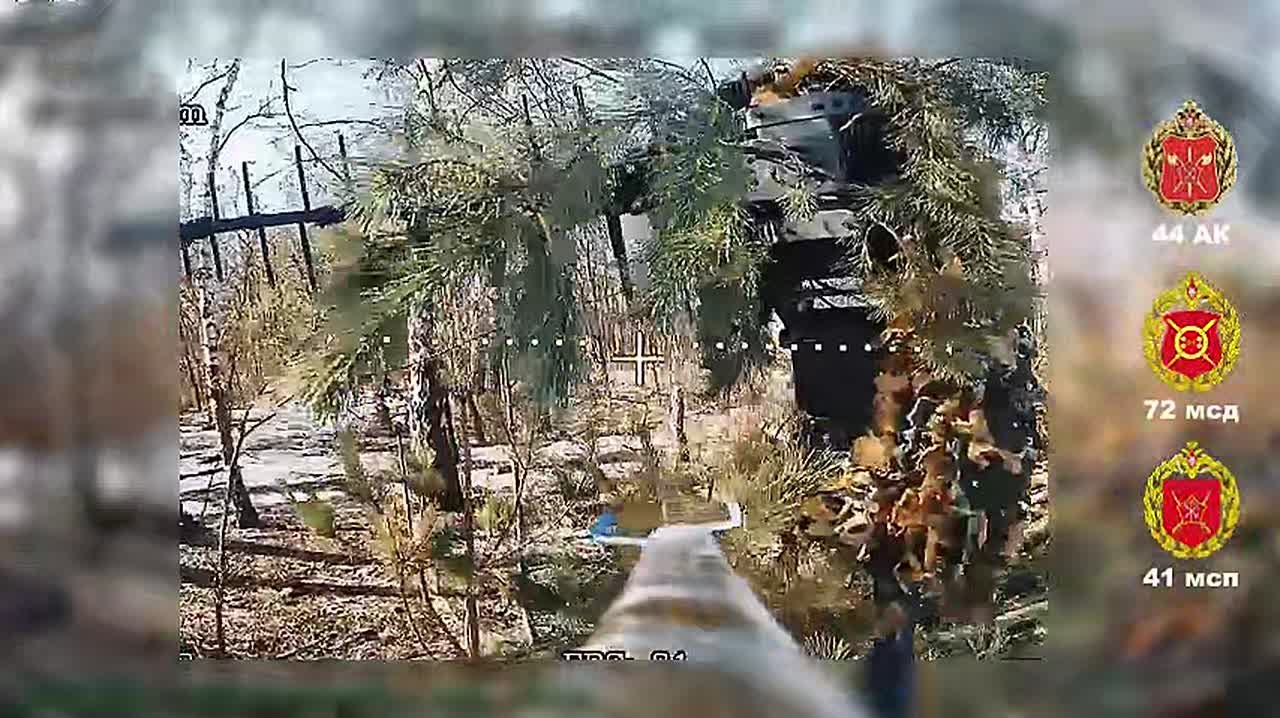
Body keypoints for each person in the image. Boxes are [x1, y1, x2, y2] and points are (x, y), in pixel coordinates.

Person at [867, 601, 915, 718]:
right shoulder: (879, 644)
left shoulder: (904, 640)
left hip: (896, 695)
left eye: (892, 616)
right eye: (887, 616)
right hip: (880, 696)